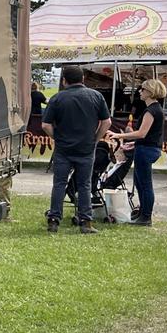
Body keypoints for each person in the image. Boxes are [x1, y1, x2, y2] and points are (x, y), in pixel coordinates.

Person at [42, 65, 111, 234]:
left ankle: (54, 220)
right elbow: (107, 122)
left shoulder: (57, 98)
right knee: (85, 185)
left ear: (64, 81)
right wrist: (96, 138)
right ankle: (86, 222)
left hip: (63, 148)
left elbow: (45, 125)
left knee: (59, 184)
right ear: (83, 79)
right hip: (86, 148)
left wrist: (56, 137)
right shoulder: (96, 96)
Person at [110, 79, 166, 226]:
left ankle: (146, 217)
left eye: (142, 89)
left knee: (145, 184)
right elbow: (150, 134)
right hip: (146, 147)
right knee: (140, 183)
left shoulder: (151, 110)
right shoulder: (155, 109)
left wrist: (120, 136)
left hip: (146, 150)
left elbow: (141, 133)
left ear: (150, 92)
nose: (140, 92)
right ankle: (142, 213)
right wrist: (133, 142)